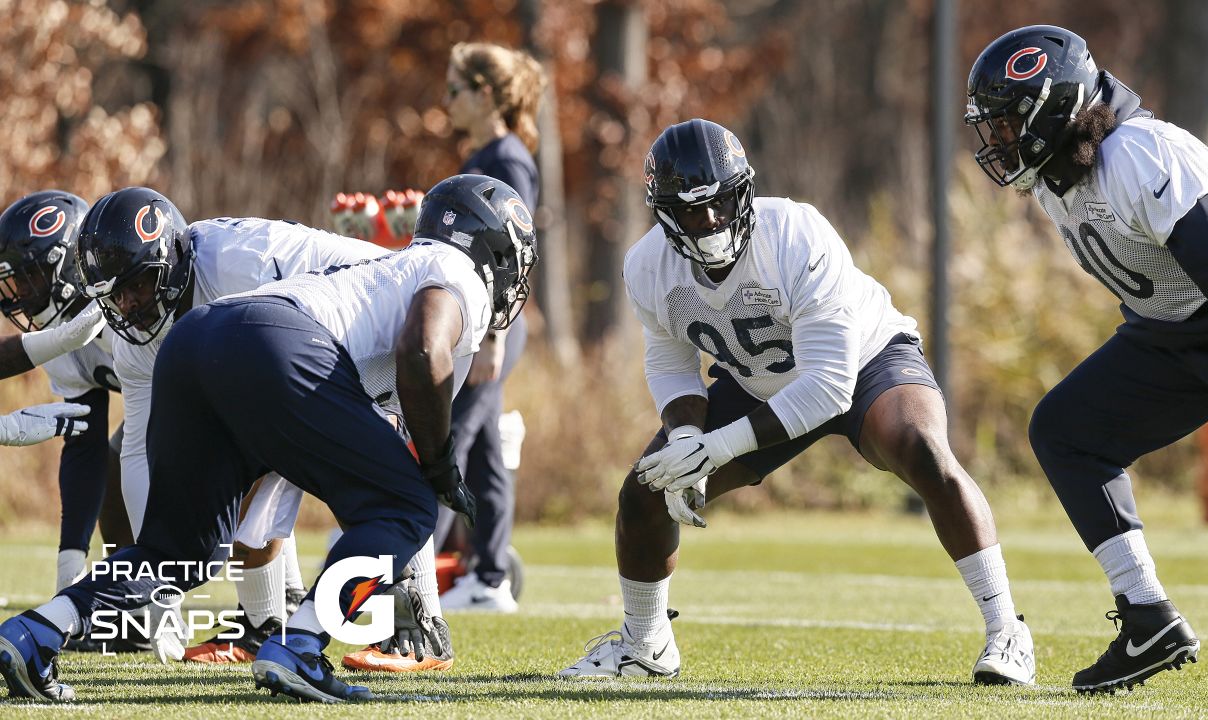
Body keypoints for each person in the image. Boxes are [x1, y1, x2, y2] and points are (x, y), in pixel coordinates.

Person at [0, 174, 537, 703]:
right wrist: (441, 467)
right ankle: (299, 644)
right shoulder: (457, 268)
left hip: (193, 341)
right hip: (278, 340)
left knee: (177, 554)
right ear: (496, 247)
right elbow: (422, 351)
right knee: (406, 505)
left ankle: (35, 633)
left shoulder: (391, 262)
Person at [558, 119, 1035, 685]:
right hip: (757, 377)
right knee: (644, 494)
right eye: (691, 210)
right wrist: (687, 437)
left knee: (921, 448)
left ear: (745, 191)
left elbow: (830, 385)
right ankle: (644, 645)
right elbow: (670, 364)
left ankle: (1007, 630)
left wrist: (719, 446)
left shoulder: (795, 234)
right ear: (663, 212)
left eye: (720, 202)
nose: (710, 220)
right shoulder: (647, 266)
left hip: (863, 361)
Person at [962, 24, 1208, 693]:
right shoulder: (1057, 175)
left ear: (1054, 109)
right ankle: (1146, 617)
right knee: (1067, 431)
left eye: (1009, 126)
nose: (999, 145)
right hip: (1182, 327)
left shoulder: (1139, 152)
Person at [74, 187, 388, 664]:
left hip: (377, 324)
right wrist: (161, 584)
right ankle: (267, 622)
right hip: (299, 352)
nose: (129, 304)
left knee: (362, 484)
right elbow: (140, 452)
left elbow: (284, 377)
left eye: (137, 284)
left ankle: (415, 624)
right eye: (115, 294)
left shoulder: (237, 268)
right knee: (234, 473)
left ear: (171, 260)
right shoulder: (134, 341)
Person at [436, 42, 544, 613]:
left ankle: (410, 582)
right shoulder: (480, 155)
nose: (446, 101)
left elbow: (513, 254)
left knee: (445, 440)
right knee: (483, 454)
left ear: (483, 94)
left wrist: (494, 336)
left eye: (454, 90)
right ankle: (490, 577)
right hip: (477, 327)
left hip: (493, 329)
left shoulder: (507, 161)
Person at [0, 190, 134, 598]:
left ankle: (271, 609)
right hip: (162, 402)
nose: (19, 293)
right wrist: (69, 566)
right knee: (114, 470)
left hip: (210, 393)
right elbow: (84, 442)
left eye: (29, 276)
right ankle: (132, 606)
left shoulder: (129, 305)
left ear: (68, 266)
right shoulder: (59, 337)